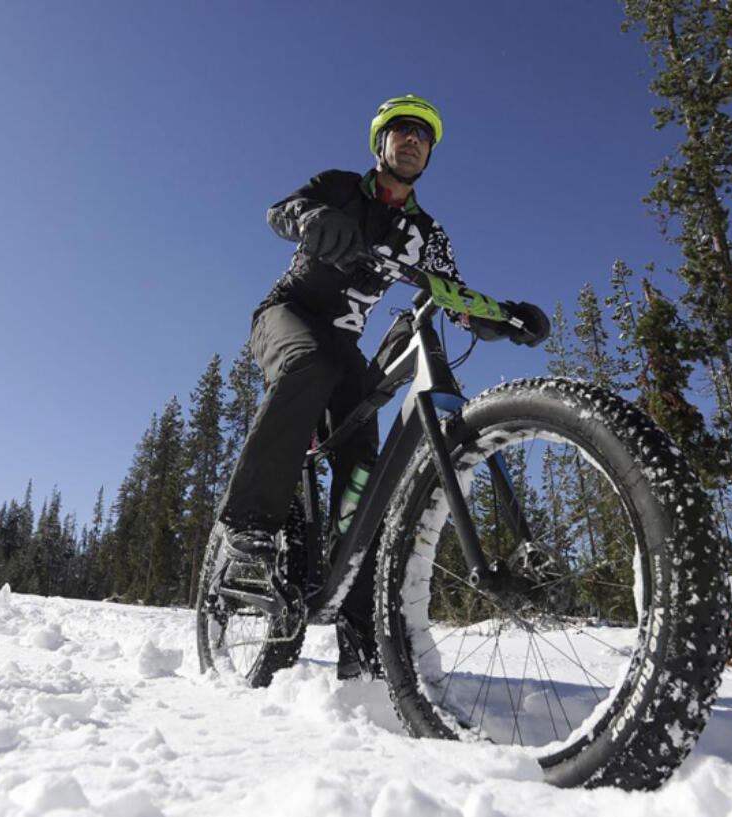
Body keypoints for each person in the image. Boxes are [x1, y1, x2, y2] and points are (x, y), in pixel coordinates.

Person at [217, 94, 549, 678]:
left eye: (424, 136)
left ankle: (362, 641)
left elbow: (452, 297)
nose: (413, 141)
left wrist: (506, 319)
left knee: (364, 466)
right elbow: (283, 209)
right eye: (402, 132)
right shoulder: (341, 186)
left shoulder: (426, 232)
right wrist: (313, 220)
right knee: (308, 365)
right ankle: (249, 527)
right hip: (289, 313)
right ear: (381, 143)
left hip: (344, 347)